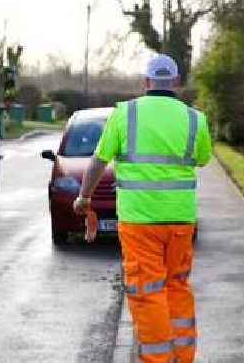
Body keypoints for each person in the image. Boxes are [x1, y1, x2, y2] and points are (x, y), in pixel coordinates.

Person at [73, 54, 212, 363]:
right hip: (181, 219)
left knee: (148, 291)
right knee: (177, 285)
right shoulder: (195, 118)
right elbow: (203, 159)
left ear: (146, 82)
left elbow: (99, 160)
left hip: (140, 221)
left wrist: (84, 197)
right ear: (175, 82)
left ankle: (158, 359)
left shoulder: (126, 114)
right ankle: (183, 355)